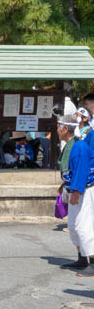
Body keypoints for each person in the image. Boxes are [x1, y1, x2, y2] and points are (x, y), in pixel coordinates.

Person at [57, 114, 94, 275]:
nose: (57, 130)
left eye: (58, 127)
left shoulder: (78, 146)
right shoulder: (70, 145)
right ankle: (81, 258)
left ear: (65, 129)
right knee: (73, 226)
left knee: (83, 226)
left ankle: (92, 262)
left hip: (83, 190)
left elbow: (81, 169)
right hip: (74, 187)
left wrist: (76, 192)